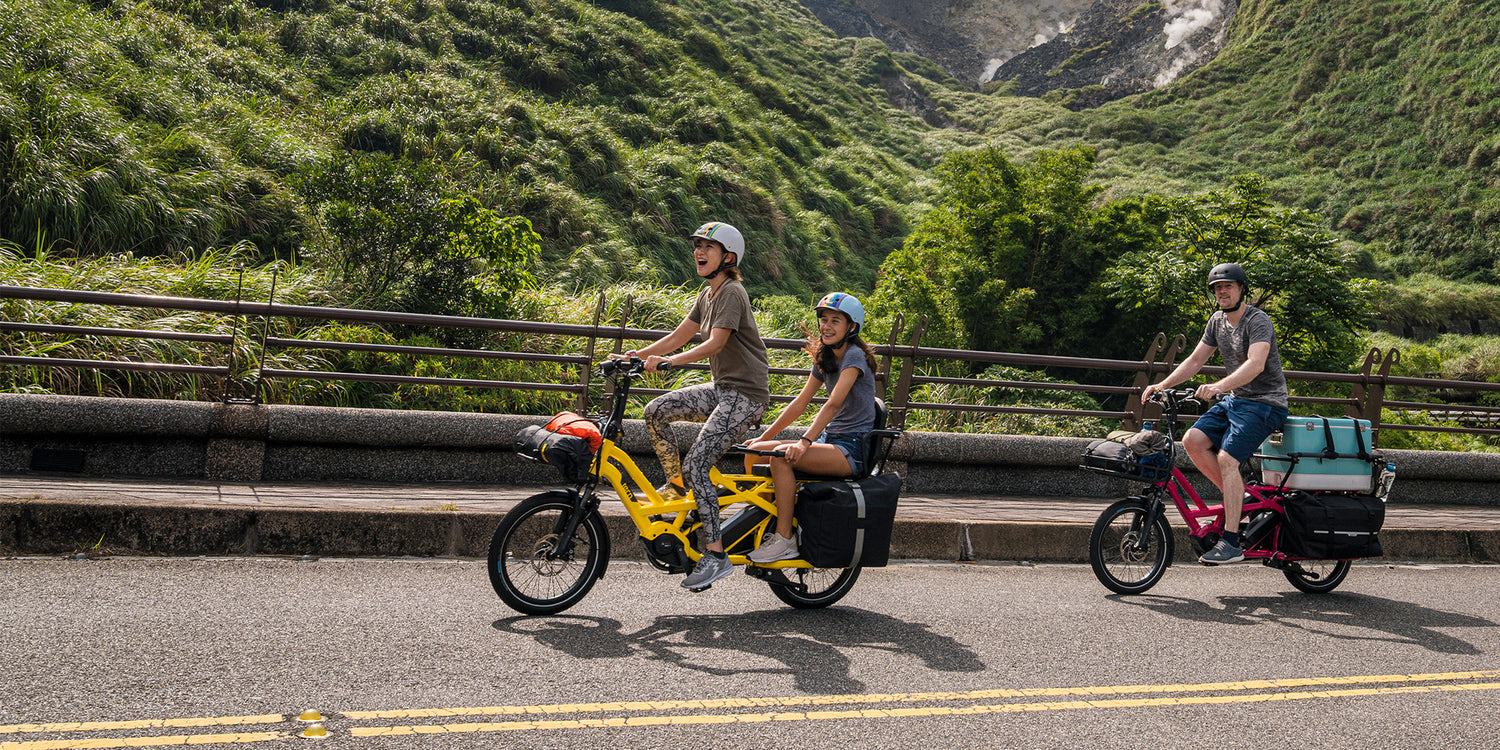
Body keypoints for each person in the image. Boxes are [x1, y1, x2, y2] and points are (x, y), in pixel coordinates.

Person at [614, 221, 770, 591]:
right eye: (697, 245)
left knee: (699, 460)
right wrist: (638, 355)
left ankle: (715, 556)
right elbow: (681, 335)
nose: (699, 252)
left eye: (708, 247)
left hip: (746, 395)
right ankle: (675, 483)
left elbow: (715, 343)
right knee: (656, 411)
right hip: (722, 389)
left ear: (728, 257)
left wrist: (672, 363)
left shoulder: (732, 292)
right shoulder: (708, 293)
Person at [1140, 262, 1289, 565]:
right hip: (1237, 401)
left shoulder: (1258, 320)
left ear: (1241, 289)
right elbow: (1195, 360)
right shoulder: (1217, 321)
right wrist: (1162, 385)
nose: (1222, 292)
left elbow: (1256, 363)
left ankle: (1232, 542)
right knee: (1192, 441)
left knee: (1227, 459)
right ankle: (1242, 501)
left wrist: (1218, 386)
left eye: (1228, 286)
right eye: (1217, 288)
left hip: (1266, 403)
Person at [741, 292, 879, 563]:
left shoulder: (854, 356)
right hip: (830, 441)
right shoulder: (826, 356)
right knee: (756, 452)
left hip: (851, 449)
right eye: (824, 320)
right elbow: (800, 403)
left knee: (782, 459)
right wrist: (763, 437)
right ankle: (767, 521)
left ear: (851, 327)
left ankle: (784, 538)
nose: (826, 326)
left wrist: (803, 443)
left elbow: (833, 404)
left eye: (835, 321)